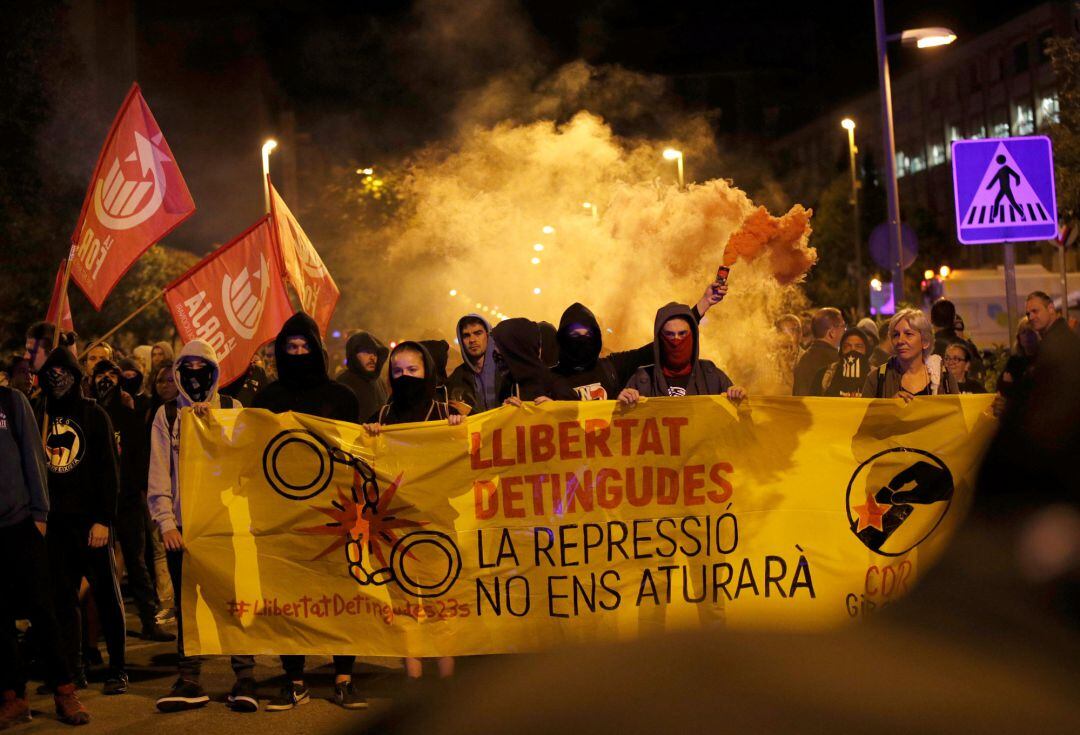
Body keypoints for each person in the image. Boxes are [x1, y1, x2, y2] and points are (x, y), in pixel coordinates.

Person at [252, 313, 367, 712]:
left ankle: (343, 678)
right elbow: (249, 450)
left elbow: (359, 451)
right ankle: (294, 679)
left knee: (339, 594)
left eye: (305, 347)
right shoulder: (267, 400)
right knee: (289, 596)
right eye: (291, 348)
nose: (298, 354)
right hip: (283, 514)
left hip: (335, 514)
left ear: (318, 351)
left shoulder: (342, 398)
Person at [148, 340, 256, 713]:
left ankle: (244, 675)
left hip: (224, 525)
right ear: (178, 372)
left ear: (213, 371)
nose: (195, 374)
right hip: (184, 529)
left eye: (202, 366)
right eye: (186, 367)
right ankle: (189, 677)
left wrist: (212, 424)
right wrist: (166, 523)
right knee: (187, 606)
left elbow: (242, 465)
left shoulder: (232, 409)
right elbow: (159, 473)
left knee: (232, 601)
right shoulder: (167, 416)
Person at [363, 341, 463, 679]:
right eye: (398, 371)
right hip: (393, 528)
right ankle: (413, 674)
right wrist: (369, 436)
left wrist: (458, 431)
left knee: (441, 604)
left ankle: (446, 675)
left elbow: (467, 463)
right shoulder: (381, 417)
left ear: (427, 373)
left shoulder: (444, 414)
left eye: (412, 370)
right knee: (403, 604)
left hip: (436, 523)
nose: (405, 377)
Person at [37, 348, 128, 695]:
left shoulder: (93, 414)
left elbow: (109, 471)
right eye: (51, 371)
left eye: (64, 371)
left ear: (76, 376)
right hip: (55, 525)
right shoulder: (40, 415)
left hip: (92, 525)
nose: (57, 378)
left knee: (106, 597)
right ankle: (72, 671)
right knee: (62, 600)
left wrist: (104, 519)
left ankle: (117, 669)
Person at [0, 382, 90, 726]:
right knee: (0, 620)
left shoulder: (11, 401)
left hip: (22, 523)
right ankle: (13, 697)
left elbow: (33, 457)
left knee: (44, 611)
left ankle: (65, 692)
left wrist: (39, 514)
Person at [90, 360, 173, 642]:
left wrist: (141, 494)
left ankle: (150, 619)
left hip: (127, 502)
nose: (106, 380)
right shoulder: (89, 416)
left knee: (137, 564)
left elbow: (140, 458)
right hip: (97, 505)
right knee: (99, 568)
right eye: (100, 374)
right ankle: (97, 625)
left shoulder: (128, 418)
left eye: (112, 375)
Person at [552, 283, 725, 402]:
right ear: (562, 338)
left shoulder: (612, 367)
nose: (582, 340)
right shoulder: (547, 378)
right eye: (574, 334)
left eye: (588, 334)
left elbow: (661, 346)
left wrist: (702, 306)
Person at [618, 302, 746, 403]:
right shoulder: (642, 381)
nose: (676, 340)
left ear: (692, 337)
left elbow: (741, 427)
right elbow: (622, 430)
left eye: (682, 333)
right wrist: (621, 406)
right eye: (669, 334)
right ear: (660, 339)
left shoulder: (712, 377)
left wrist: (739, 400)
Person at [861, 308, 958, 399]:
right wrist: (889, 407)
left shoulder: (945, 378)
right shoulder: (877, 379)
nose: (900, 340)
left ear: (925, 342)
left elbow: (957, 415)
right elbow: (864, 415)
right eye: (896, 335)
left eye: (908, 334)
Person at [490, 318, 576, 404]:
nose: (495, 350)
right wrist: (505, 410)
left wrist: (555, 408)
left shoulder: (556, 385)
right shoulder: (509, 385)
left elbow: (578, 412)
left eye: (499, 345)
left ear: (515, 349)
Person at [447, 315, 503, 414]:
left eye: (478, 333)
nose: (472, 340)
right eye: (466, 335)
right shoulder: (456, 378)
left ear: (488, 335)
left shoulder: (505, 370)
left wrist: (470, 413)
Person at [792, 308, 845, 396]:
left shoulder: (803, 359)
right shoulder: (837, 362)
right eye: (842, 327)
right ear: (831, 332)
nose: (845, 331)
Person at [336, 331, 389, 419]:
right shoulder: (343, 383)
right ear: (353, 355)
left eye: (375, 353)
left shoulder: (380, 382)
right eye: (366, 352)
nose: (372, 358)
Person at [931, 299, 983, 379]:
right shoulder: (969, 348)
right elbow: (980, 375)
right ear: (954, 319)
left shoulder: (926, 349)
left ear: (931, 320)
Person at [817, 328, 871, 398]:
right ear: (841, 350)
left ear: (866, 350)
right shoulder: (824, 375)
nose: (853, 350)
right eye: (847, 346)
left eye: (858, 346)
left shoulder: (875, 377)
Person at [1025, 290, 1078, 357]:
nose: (1030, 317)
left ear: (1050, 308)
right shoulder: (1054, 338)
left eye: (1035, 311)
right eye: (1028, 314)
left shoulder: (1056, 342)